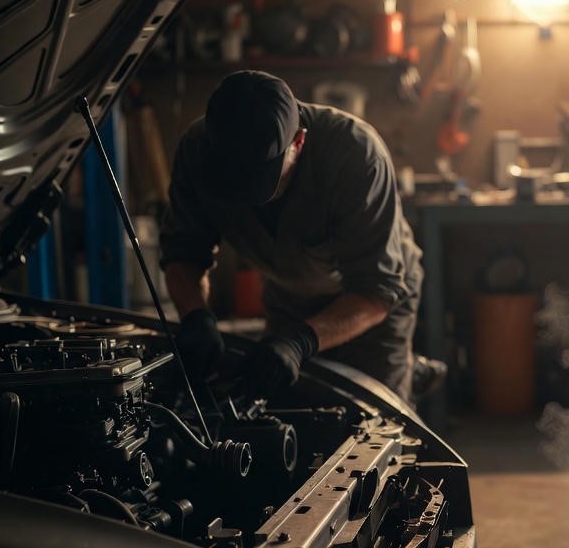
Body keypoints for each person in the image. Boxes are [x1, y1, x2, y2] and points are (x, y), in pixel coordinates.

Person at [160, 70, 425, 402]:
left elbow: (376, 290)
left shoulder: (355, 156)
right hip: (290, 295)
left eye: (259, 182)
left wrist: (300, 343)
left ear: (298, 142)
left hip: (372, 303)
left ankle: (410, 373)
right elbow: (184, 252)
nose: (243, 195)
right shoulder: (197, 151)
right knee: (283, 408)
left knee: (375, 414)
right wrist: (195, 315)